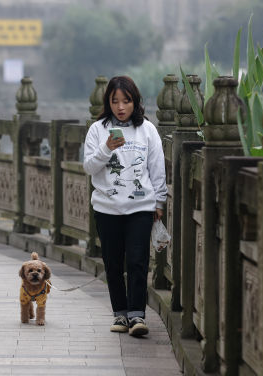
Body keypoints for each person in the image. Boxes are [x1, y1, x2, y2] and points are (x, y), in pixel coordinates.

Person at [83, 76, 167, 337]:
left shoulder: (147, 130)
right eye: (115, 101)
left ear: (135, 102)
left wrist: (160, 200)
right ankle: (120, 313)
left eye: (126, 101)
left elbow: (157, 168)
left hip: (141, 206)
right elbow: (89, 167)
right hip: (107, 208)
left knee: (138, 260)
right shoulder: (98, 129)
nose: (121, 107)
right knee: (113, 262)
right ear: (108, 102)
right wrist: (107, 148)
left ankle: (137, 316)